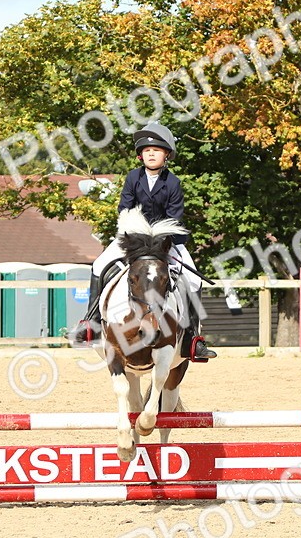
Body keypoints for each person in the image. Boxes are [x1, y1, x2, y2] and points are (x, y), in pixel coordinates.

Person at [72, 122, 216, 360]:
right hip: (133, 239)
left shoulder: (173, 183)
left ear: (166, 155)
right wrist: (136, 235)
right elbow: (124, 209)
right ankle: (92, 322)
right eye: (147, 151)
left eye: (157, 150)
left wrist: (160, 238)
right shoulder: (132, 178)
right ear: (140, 155)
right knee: (99, 266)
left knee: (193, 280)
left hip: (165, 242)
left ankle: (193, 338)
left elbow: (174, 217)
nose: (151, 153)